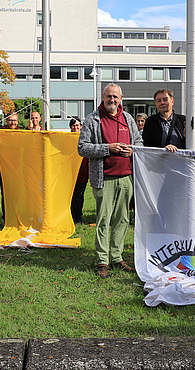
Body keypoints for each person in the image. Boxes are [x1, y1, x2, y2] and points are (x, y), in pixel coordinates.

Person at [78, 83, 143, 278]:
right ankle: (102, 260)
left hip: (126, 178)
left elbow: (139, 142)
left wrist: (133, 150)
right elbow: (82, 148)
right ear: (103, 98)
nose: (112, 100)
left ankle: (117, 256)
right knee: (103, 220)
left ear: (121, 98)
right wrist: (108, 148)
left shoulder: (128, 119)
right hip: (104, 178)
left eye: (115, 97)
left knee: (122, 219)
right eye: (109, 97)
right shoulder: (93, 120)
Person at [69, 117, 89, 224]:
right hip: (71, 172)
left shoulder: (85, 138)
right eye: (74, 125)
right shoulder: (67, 138)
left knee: (80, 194)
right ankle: (72, 215)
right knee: (72, 195)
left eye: (77, 125)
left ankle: (78, 216)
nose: (76, 127)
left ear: (81, 126)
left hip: (82, 171)